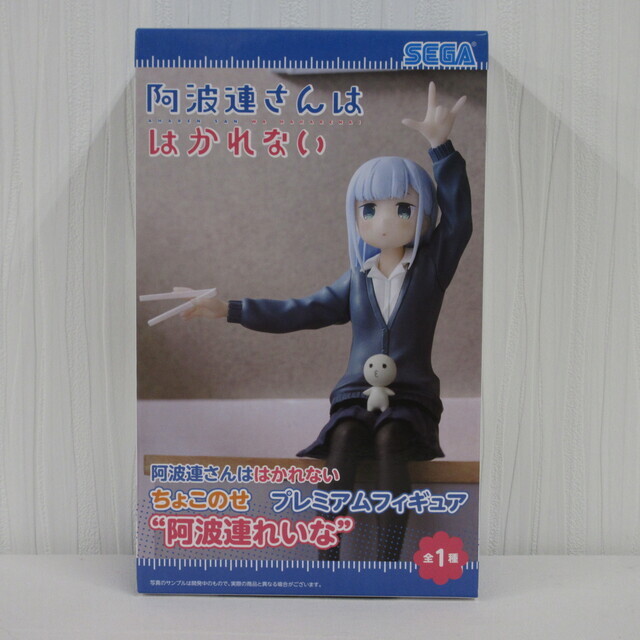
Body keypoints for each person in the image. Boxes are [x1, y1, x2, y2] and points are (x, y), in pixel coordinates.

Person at [180, 82, 471, 561]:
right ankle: (326, 559)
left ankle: (386, 563)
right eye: (369, 210)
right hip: (355, 396)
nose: (384, 221)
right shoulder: (356, 280)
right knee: (344, 440)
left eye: (402, 209)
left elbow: (458, 222)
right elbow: (300, 310)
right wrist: (229, 309)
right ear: (356, 217)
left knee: (391, 441)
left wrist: (441, 149)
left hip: (410, 397)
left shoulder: (431, 269)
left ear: (422, 213)